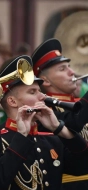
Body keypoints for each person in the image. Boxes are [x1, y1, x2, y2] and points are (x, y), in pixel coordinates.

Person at [0, 55, 88, 189]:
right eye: (33, 92)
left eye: (39, 91)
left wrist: (59, 128)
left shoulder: (52, 140)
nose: (42, 96)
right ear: (12, 101)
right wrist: (22, 136)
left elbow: (84, 165)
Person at [31, 38, 88, 188]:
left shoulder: (79, 103)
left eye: (69, 67)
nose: (72, 72)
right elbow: (73, 122)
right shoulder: (43, 111)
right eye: (63, 69)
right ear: (46, 80)